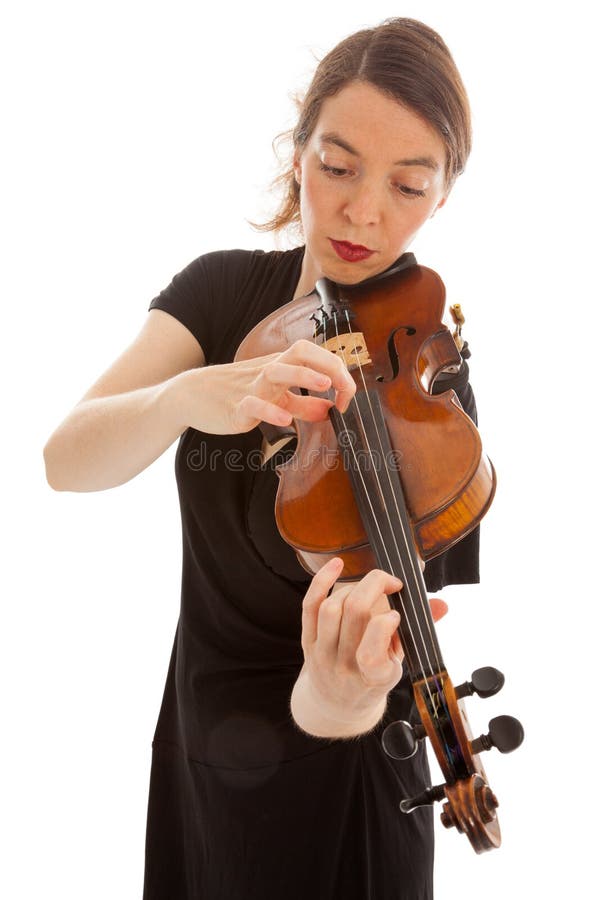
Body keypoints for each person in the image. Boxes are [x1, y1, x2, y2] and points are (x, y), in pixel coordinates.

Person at [44, 17, 480, 900]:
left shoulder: (432, 379)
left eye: (408, 184)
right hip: (202, 741)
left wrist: (340, 690)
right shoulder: (216, 295)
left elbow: (363, 668)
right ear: (298, 151)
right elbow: (65, 460)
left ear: (442, 194)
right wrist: (187, 394)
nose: (364, 211)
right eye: (338, 165)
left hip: (349, 762)